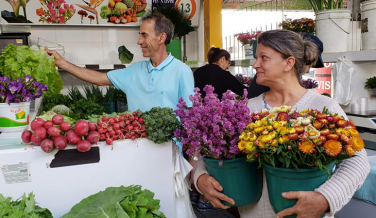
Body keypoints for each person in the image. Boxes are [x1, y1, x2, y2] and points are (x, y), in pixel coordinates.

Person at [193, 29, 370, 218]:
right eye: (256, 58)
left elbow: (358, 162)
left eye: (264, 58)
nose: (255, 65)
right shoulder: (246, 108)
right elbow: (214, 153)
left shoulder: (323, 107)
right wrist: (200, 178)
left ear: (289, 63)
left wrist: (325, 198)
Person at [46, 13, 196, 218]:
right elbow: (99, 79)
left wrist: (194, 161)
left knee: (170, 207)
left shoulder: (181, 71)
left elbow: (192, 117)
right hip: (134, 152)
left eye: (144, 35)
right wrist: (63, 64)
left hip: (168, 158)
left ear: (161, 37)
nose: (139, 41)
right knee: (142, 205)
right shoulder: (134, 71)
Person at [191, 47, 246, 213]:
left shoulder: (198, 72)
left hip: (196, 119)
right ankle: (206, 199)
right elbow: (244, 92)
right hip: (217, 124)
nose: (227, 66)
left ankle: (196, 192)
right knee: (214, 157)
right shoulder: (224, 74)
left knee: (196, 155)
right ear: (223, 59)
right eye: (228, 62)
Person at [247, 32, 325, 99]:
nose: (255, 65)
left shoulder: (325, 106)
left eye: (264, 57)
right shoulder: (253, 105)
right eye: (309, 63)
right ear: (289, 63)